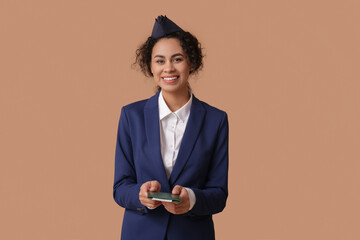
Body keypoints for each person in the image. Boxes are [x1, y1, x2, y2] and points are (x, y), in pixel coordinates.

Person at [113, 15, 229, 240]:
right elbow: (120, 187)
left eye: (177, 59)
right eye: (160, 61)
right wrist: (141, 196)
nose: (168, 68)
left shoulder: (216, 120)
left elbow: (219, 194)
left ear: (191, 63)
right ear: (150, 66)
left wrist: (191, 200)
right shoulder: (131, 116)